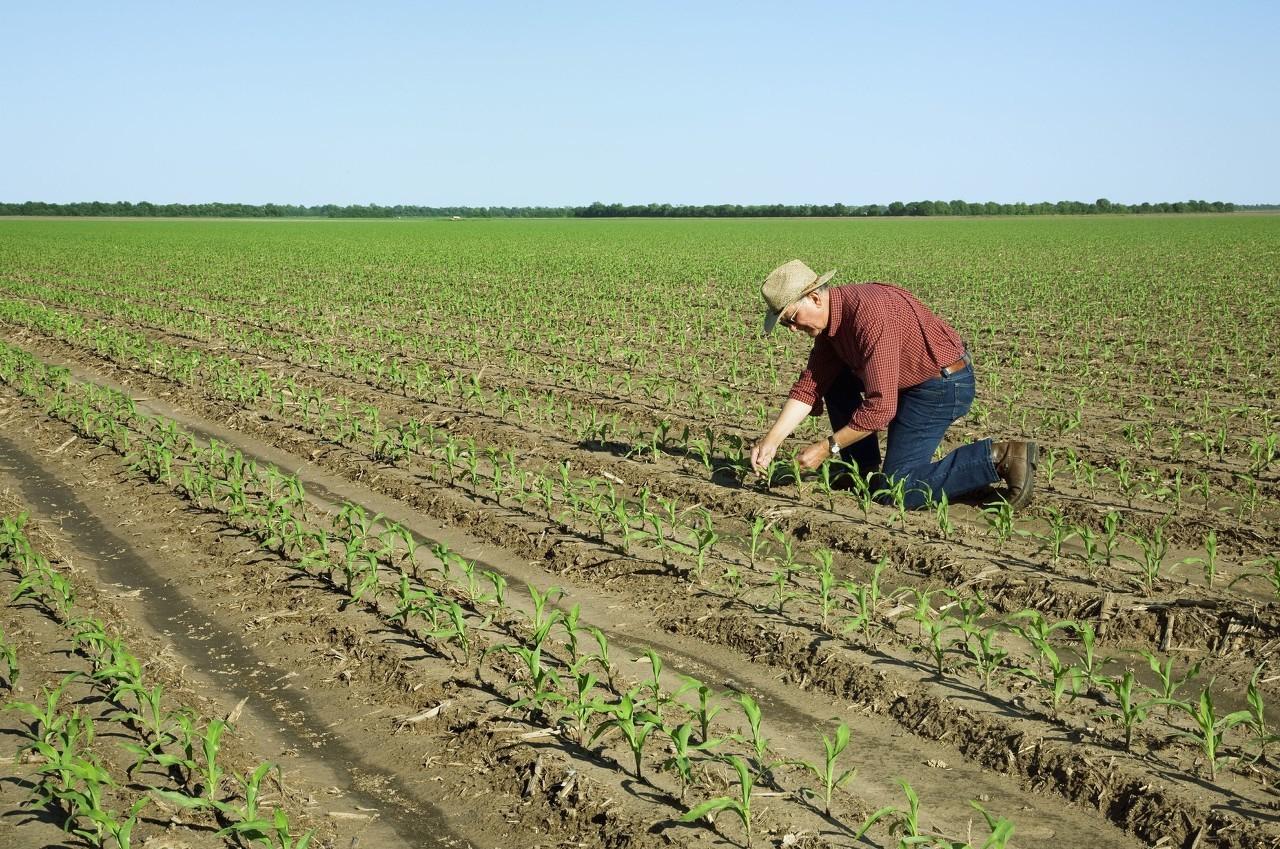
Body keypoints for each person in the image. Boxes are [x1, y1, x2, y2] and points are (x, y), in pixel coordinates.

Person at [749, 259, 1036, 510]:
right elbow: (810, 386)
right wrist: (771, 441)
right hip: (911, 383)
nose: (794, 329)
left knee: (897, 489)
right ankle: (861, 469)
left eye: (792, 319)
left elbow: (881, 408)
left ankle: (1000, 456)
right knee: (833, 380)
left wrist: (827, 448)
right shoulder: (830, 327)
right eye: (787, 325)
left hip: (941, 386)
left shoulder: (868, 315)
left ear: (814, 297)